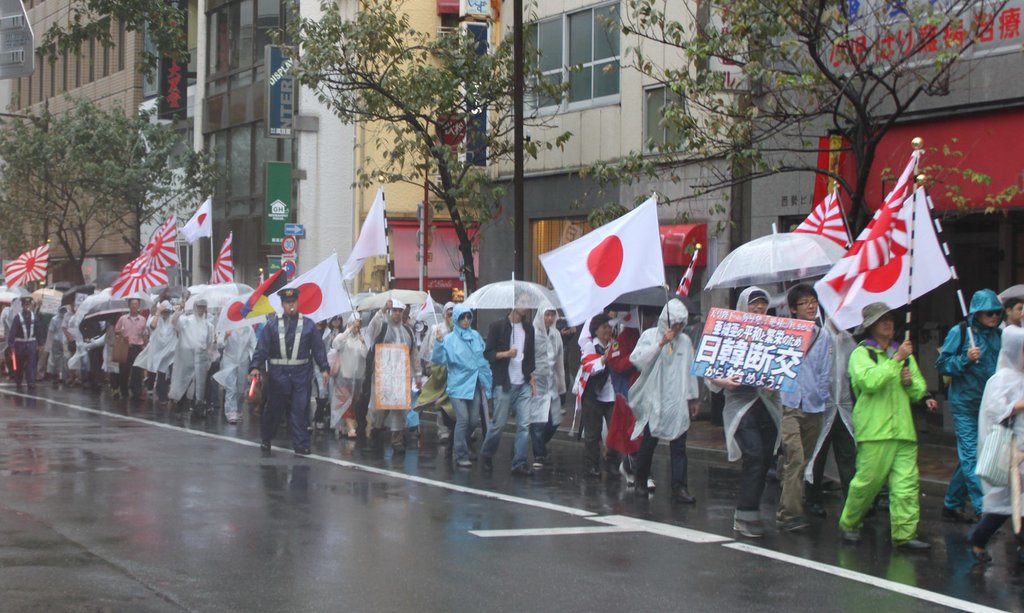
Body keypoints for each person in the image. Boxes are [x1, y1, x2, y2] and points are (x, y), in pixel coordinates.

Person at [839, 302, 931, 550]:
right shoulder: (862, 354)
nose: (889, 323)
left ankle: (905, 534)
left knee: (906, 487)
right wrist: (896, 362)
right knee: (866, 484)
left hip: (903, 431)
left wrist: (910, 382)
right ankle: (850, 523)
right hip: (875, 431)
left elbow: (918, 391)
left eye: (890, 319)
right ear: (871, 326)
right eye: (883, 320)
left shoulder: (902, 353)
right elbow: (869, 382)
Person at [707, 286, 782, 538]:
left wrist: (776, 381)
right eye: (754, 304)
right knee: (755, 455)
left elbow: (781, 368)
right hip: (741, 406)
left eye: (763, 304)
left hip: (768, 406)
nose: (759, 308)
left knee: (765, 460)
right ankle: (744, 513)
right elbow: (710, 372)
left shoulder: (774, 334)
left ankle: (751, 513)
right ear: (743, 306)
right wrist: (724, 382)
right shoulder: (728, 334)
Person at [936, 289, 1002, 523]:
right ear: (977, 313)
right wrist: (966, 359)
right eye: (988, 313)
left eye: (997, 312)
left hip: (988, 405)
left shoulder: (998, 336)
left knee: (970, 456)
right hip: (964, 404)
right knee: (974, 456)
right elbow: (942, 364)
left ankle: (952, 504)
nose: (993, 317)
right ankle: (983, 508)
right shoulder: (961, 332)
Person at [628, 299, 700, 503]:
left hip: (677, 399)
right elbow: (638, 361)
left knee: (679, 445)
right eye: (675, 324)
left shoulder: (685, 342)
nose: (677, 329)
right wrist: (660, 344)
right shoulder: (649, 336)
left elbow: (690, 369)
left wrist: (693, 397)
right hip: (656, 399)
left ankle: (680, 486)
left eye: (681, 325)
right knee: (649, 442)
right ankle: (641, 480)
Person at [776, 284, 831, 532]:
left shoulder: (823, 335)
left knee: (802, 460)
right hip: (790, 405)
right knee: (796, 458)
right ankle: (788, 515)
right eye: (804, 302)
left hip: (813, 407)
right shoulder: (784, 333)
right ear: (793, 309)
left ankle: (790, 499)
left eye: (813, 301)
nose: (810, 306)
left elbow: (824, 370)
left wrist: (821, 396)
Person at [249, 287, 330, 454]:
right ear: (282, 304)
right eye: (287, 303)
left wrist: (324, 368)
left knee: (300, 409)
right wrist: (255, 366)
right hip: (278, 374)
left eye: (293, 302)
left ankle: (301, 444)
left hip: (301, 373)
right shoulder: (272, 325)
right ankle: (266, 438)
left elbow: (318, 348)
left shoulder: (308, 325)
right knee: (273, 408)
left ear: (298, 302)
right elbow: (262, 348)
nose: (291, 306)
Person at [967, 325, 1024, 563]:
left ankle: (979, 539)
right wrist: (1018, 405)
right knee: (1010, 502)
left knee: (1014, 504)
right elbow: (994, 411)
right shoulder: (1000, 380)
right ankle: (979, 539)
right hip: (1011, 451)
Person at [804, 315, 858, 518]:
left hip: (843, 408)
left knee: (848, 454)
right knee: (817, 454)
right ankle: (812, 498)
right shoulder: (818, 336)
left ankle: (852, 502)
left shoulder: (849, 340)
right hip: (821, 406)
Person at [431, 304, 492, 467]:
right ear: (457, 319)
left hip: (474, 385)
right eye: (462, 317)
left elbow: (483, 359)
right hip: (457, 386)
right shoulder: (449, 339)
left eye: (468, 317)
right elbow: (438, 359)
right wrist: (438, 343)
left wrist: (487, 381)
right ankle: (461, 454)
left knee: (473, 421)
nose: (466, 320)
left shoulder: (476, 336)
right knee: (463, 419)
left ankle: (455, 442)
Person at [481, 298, 536, 476]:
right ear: (513, 303)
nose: (526, 307)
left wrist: (532, 378)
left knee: (524, 425)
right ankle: (487, 453)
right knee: (499, 424)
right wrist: (506, 354)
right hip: (504, 383)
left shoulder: (529, 329)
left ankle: (519, 462)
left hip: (524, 383)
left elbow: (530, 356)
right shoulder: (498, 326)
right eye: (523, 302)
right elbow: (488, 354)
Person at [362, 299, 420, 453]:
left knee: (398, 407)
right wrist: (382, 310)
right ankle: (377, 426)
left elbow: (414, 353)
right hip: (382, 376)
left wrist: (418, 374)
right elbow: (372, 329)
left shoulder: (408, 331)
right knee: (379, 408)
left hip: (401, 376)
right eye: (394, 310)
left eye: (399, 311)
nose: (397, 314)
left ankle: (397, 439)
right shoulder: (382, 326)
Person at [577, 314, 620, 478]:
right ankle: (592, 465)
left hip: (611, 394)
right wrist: (604, 358)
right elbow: (589, 367)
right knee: (592, 433)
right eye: (604, 327)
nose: (608, 330)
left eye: (609, 327)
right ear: (596, 330)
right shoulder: (589, 346)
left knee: (614, 430)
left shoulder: (614, 345)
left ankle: (612, 463)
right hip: (592, 394)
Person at [528, 303, 566, 469]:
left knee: (554, 420)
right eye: (546, 315)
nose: (549, 318)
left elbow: (559, 361)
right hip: (536, 382)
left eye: (552, 315)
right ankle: (539, 454)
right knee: (537, 420)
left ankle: (540, 444)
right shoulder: (533, 333)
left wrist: (561, 384)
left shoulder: (556, 334)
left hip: (551, 382)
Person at [168, 299, 215, 415]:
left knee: (200, 384)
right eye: (199, 307)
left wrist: (209, 358)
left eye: (203, 307)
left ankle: (198, 408)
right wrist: (180, 309)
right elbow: (173, 321)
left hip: (201, 358)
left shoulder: (209, 325)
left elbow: (210, 343)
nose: (201, 309)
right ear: (195, 307)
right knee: (184, 381)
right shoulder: (186, 321)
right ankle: (179, 406)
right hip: (186, 357)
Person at [419, 302, 456, 446]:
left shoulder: (458, 330)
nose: (451, 317)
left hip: (454, 371)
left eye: (454, 314)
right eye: (449, 314)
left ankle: (455, 429)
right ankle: (443, 431)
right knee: (441, 401)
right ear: (444, 315)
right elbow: (429, 350)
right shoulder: (437, 329)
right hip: (439, 369)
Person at [328, 314, 367, 438]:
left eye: (358, 326)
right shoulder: (343, 337)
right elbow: (336, 344)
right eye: (354, 325)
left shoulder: (361, 339)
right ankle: (351, 428)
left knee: (353, 403)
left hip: (357, 377)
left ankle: (345, 426)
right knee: (345, 403)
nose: (356, 328)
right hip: (343, 376)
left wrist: (363, 343)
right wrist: (349, 330)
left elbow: (365, 355)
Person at [135, 301, 177, 404]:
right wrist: (158, 312)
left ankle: (169, 394)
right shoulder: (156, 319)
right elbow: (152, 326)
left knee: (171, 373)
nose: (166, 314)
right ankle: (162, 396)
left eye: (167, 312)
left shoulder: (172, 320)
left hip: (170, 352)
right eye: (164, 312)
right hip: (158, 352)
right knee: (161, 373)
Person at [214, 325, 256, 424]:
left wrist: (255, 364)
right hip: (229, 360)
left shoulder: (249, 329)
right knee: (231, 388)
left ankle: (238, 410)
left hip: (243, 361)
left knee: (241, 388)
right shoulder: (228, 326)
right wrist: (225, 336)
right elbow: (219, 344)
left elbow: (254, 346)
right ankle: (230, 412)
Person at [114, 298, 148, 400]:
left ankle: (137, 392)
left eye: (136, 304)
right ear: (129, 306)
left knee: (137, 371)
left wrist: (145, 345)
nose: (134, 306)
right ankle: (124, 391)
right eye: (132, 304)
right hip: (125, 347)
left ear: (139, 306)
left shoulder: (142, 319)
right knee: (124, 370)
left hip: (138, 347)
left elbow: (144, 333)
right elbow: (116, 330)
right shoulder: (123, 318)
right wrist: (121, 332)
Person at [8, 296, 42, 390]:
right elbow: (13, 331)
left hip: (31, 344)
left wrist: (40, 343)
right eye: (25, 304)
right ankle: (18, 381)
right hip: (20, 345)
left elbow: (38, 330)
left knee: (31, 364)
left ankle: (31, 382)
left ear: (31, 305)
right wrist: (11, 345)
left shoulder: (35, 316)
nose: (27, 306)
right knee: (19, 364)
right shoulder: (17, 317)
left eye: (29, 304)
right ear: (22, 306)